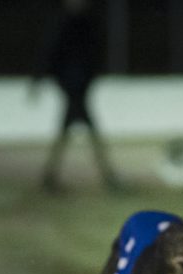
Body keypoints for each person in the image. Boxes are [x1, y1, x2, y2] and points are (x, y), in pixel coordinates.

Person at [31, 0, 120, 192]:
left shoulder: (84, 23)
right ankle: (107, 175)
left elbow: (92, 54)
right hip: (73, 88)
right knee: (83, 132)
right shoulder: (66, 23)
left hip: (78, 87)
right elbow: (51, 53)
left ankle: (51, 176)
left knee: (70, 132)